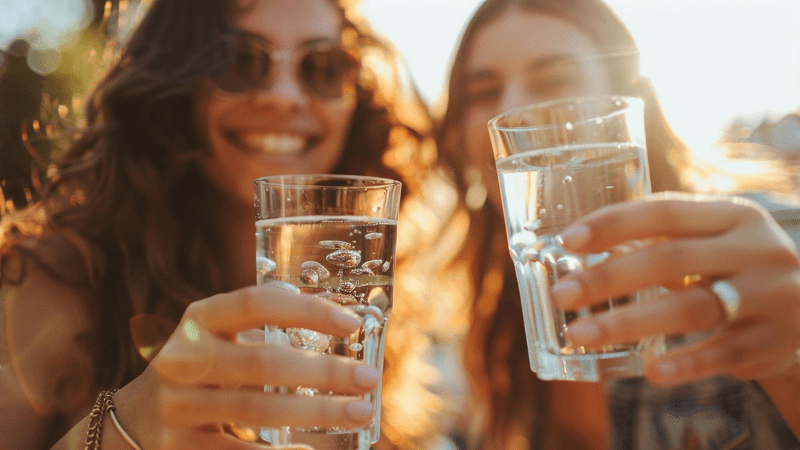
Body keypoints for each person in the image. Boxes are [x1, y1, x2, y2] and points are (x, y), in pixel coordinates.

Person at [0, 0, 448, 448]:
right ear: (178, 82)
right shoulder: (52, 284)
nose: (285, 96)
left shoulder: (377, 311)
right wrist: (126, 428)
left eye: (324, 68)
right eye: (240, 60)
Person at [436, 0, 800, 448]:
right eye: (483, 93)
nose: (511, 112)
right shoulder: (487, 318)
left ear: (632, 100)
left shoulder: (765, 246)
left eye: (555, 80)